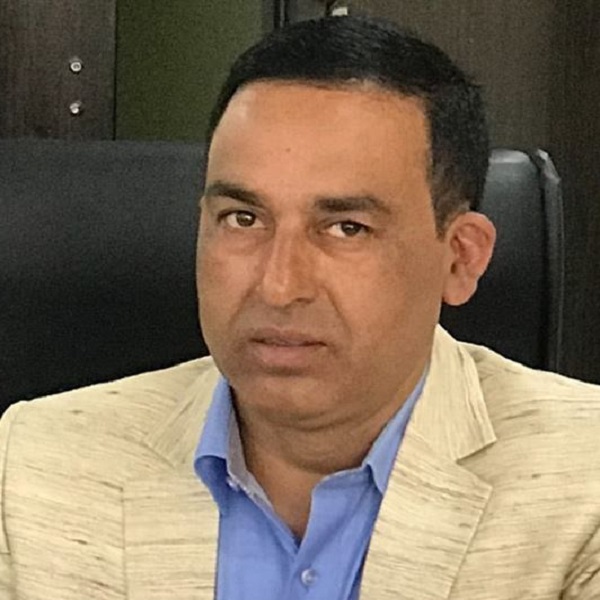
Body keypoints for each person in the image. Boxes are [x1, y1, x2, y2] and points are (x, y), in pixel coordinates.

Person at [1, 15, 599, 600]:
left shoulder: (584, 482)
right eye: (243, 219)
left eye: (346, 228)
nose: (278, 286)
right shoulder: (35, 466)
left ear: (461, 258)